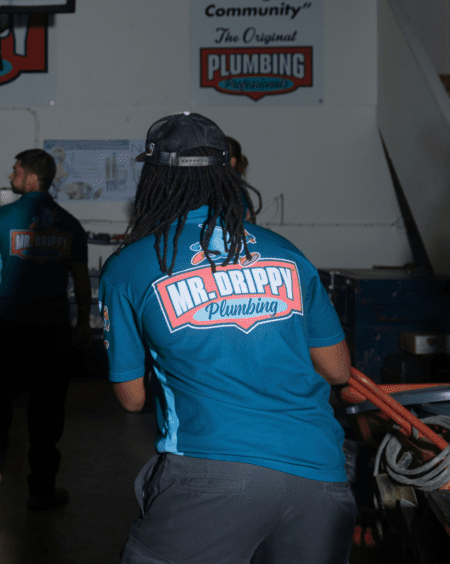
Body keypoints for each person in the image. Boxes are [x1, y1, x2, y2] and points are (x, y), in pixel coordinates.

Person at [99, 112, 355, 564]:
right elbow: (336, 370)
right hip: (320, 476)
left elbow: (132, 397)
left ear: (153, 177)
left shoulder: (132, 266)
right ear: (227, 172)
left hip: (208, 469)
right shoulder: (286, 252)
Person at [0, 149, 92, 510]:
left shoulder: (1, 217)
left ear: (30, 177)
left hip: (9, 327)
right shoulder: (70, 223)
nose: (11, 173)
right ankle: (41, 490)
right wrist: (82, 322)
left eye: (16, 169)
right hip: (52, 332)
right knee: (47, 412)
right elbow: (81, 284)